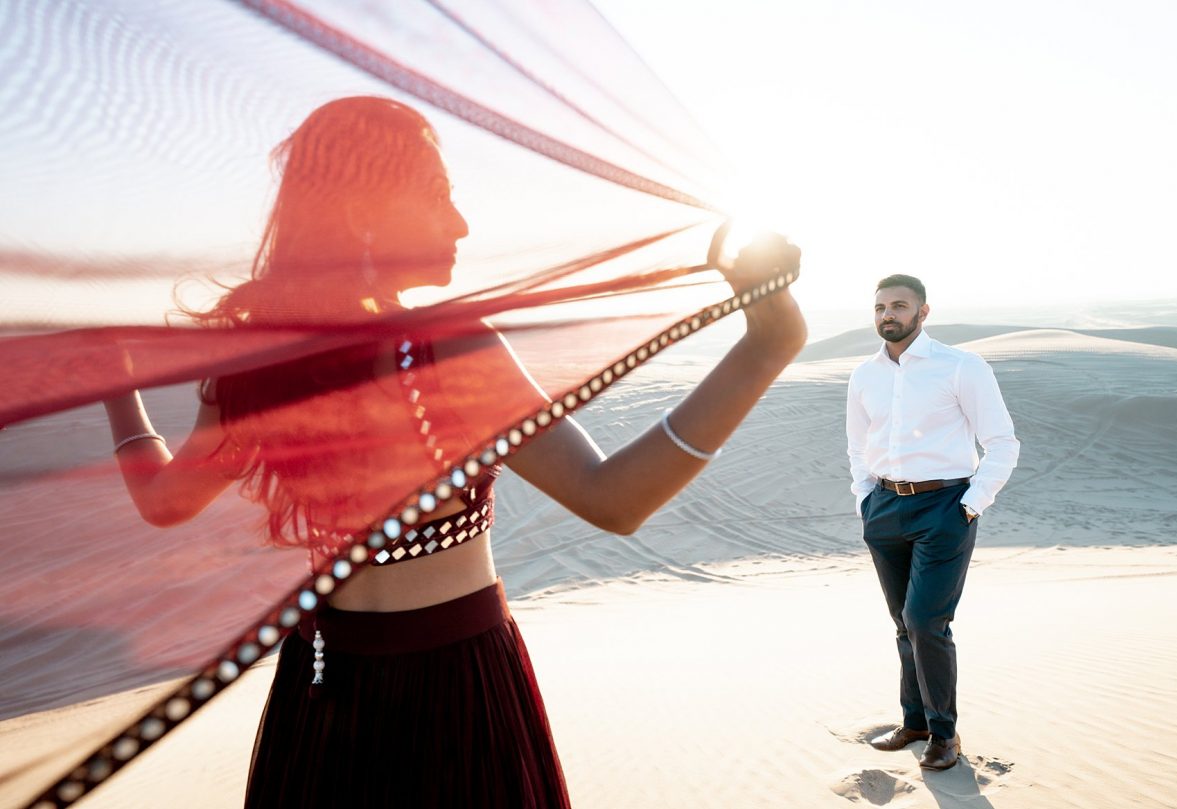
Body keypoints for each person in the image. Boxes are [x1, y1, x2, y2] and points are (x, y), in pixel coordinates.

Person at [103, 96, 806, 807]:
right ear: (362, 211)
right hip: (456, 695)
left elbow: (163, 501)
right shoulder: (442, 347)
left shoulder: (258, 366)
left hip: (320, 696)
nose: (460, 222)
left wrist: (117, 387)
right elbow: (614, 498)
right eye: (436, 194)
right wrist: (768, 346)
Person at [846, 274, 1018, 771]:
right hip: (883, 507)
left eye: (899, 306)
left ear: (923, 312)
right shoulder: (865, 374)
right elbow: (857, 445)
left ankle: (945, 733)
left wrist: (971, 504)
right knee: (904, 624)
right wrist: (864, 498)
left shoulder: (961, 366)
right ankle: (915, 721)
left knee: (927, 621)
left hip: (944, 507)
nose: (887, 315)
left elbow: (1003, 442)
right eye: (880, 307)